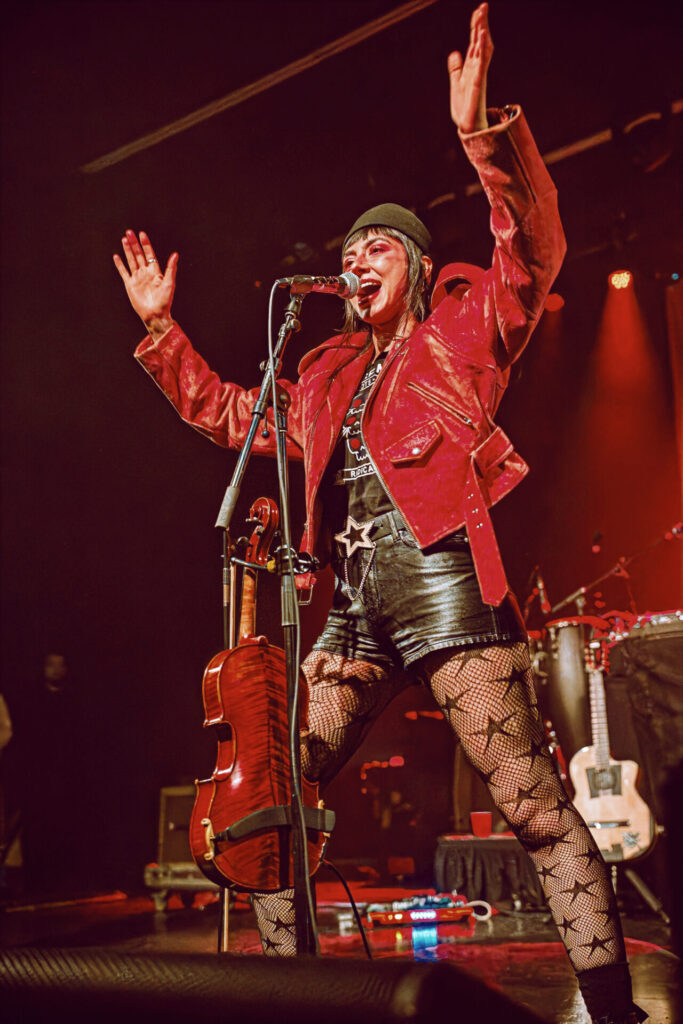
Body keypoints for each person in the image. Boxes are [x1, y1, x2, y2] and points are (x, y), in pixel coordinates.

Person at [114, 6, 644, 1022]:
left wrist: (481, 137)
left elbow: (532, 246)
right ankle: (290, 999)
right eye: (349, 250)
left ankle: (613, 1007)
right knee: (270, 800)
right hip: (352, 615)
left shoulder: (462, 332)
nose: (356, 260)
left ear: (413, 264)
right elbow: (229, 413)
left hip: (445, 589)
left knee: (531, 802)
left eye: (376, 248)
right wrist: (163, 332)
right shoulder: (321, 376)